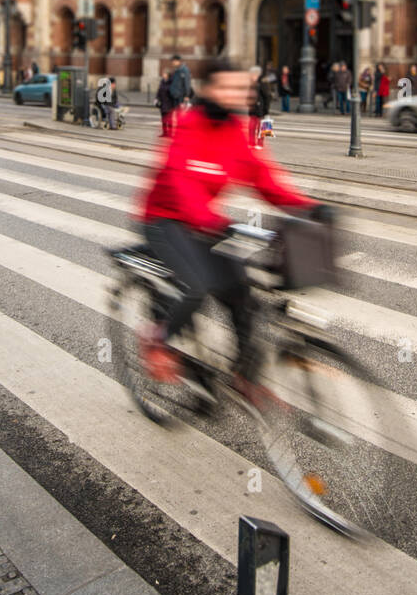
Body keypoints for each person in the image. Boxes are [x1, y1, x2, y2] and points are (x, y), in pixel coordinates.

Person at [138, 58, 324, 385]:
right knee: (198, 286)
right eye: (227, 87)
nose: (236, 95)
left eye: (241, 88)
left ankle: (243, 375)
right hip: (164, 220)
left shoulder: (235, 131)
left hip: (205, 222)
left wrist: (309, 208)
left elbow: (264, 178)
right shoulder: (188, 124)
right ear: (208, 89)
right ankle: (158, 340)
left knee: (242, 293)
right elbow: (182, 182)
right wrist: (211, 221)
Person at [247, 64, 270, 148]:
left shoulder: (262, 84)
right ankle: (251, 142)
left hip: (261, 110)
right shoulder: (252, 83)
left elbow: (267, 97)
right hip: (253, 109)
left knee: (261, 127)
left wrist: (266, 110)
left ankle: (260, 143)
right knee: (251, 127)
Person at [168, 54, 194, 128]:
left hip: (181, 96)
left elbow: (187, 83)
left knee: (181, 114)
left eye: (173, 61)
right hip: (175, 95)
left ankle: (182, 129)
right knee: (177, 114)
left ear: (178, 61)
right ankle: (178, 129)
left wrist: (187, 95)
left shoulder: (184, 70)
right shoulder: (177, 70)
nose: (172, 63)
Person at [155, 70, 174, 137]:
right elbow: (159, 91)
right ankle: (165, 133)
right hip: (162, 103)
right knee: (163, 119)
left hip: (169, 103)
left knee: (169, 119)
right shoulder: (162, 81)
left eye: (164, 73)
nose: (163, 75)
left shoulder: (171, 82)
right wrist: (156, 98)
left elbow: (173, 92)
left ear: (168, 75)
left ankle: (170, 133)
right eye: (163, 74)